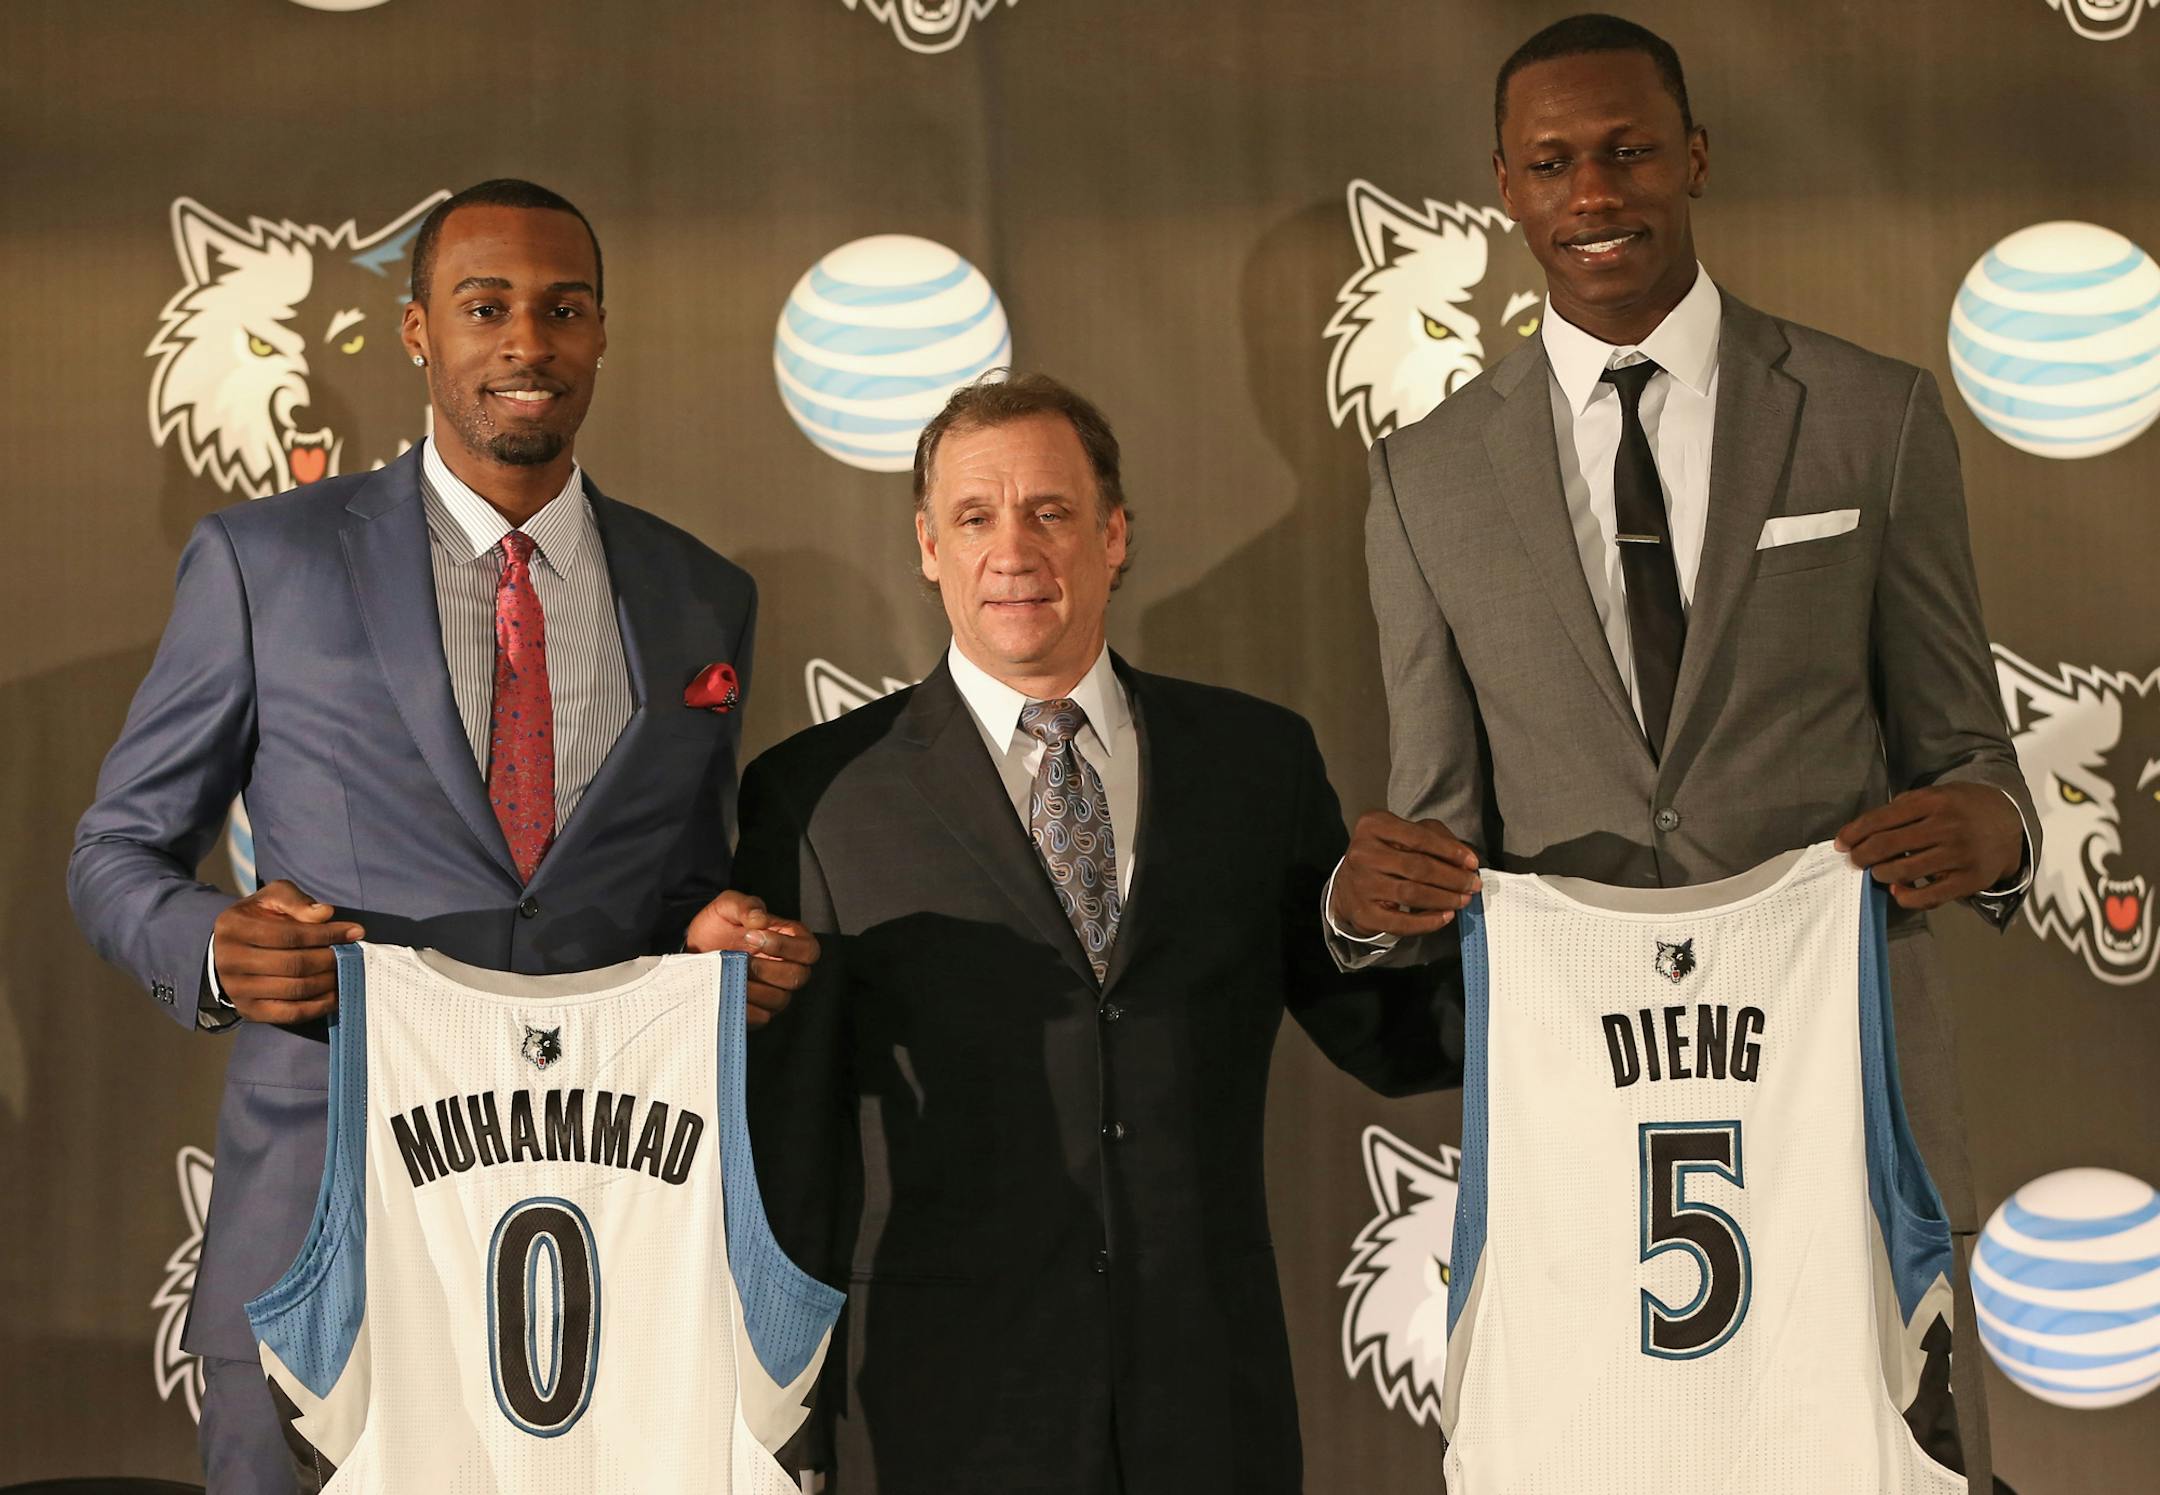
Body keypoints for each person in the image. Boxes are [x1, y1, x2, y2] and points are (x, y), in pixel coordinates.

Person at [1327, 17, 2035, 1491]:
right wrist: (1363, 905)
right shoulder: (1423, 477)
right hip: (1580, 1154)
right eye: (1553, 163)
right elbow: (1439, 827)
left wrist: (1996, 830)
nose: (1596, 193)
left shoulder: (1872, 415)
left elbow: (1972, 751)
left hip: (1843, 1118)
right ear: (1505, 191)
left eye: (1629, 149)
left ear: (1696, 156)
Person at [68, 178, 817, 1493]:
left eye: (561, 309)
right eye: (486, 307)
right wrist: (212, 945)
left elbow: (682, 873)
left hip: (605, 1240)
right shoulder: (266, 562)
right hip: (329, 1219)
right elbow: (116, 851)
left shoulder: (704, 594)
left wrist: (710, 928)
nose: (525, 342)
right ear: (419, 332)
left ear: (600, 334)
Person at [735, 373, 1458, 1495]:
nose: (1013, 549)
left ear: (1114, 536)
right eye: (975, 517)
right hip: (937, 1415)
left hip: (1209, 1407)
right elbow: (788, 1146)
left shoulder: (1255, 761)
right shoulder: (817, 796)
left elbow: (1384, 1035)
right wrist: (791, 1427)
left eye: (1052, 512)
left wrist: (1363, 922)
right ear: (929, 546)